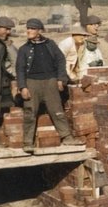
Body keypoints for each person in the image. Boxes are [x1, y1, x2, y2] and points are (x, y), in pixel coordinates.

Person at [16, 18, 83, 152]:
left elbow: (60, 60)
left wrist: (60, 79)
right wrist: (23, 86)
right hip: (32, 83)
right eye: (28, 28)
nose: (29, 31)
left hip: (50, 82)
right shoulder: (24, 49)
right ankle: (28, 142)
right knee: (30, 113)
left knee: (57, 111)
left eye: (32, 28)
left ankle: (67, 137)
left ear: (39, 31)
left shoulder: (50, 44)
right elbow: (20, 69)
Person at [0, 16, 19, 107]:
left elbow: (15, 60)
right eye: (6, 29)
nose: (8, 32)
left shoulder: (8, 44)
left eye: (9, 30)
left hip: (10, 77)